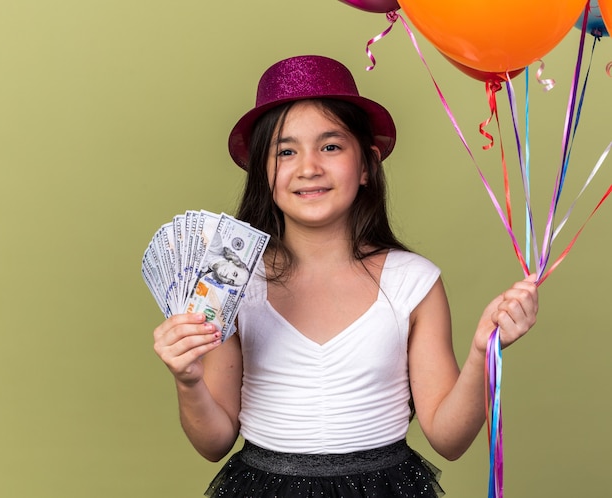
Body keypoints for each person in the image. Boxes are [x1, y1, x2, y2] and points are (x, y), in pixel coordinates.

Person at [152, 55, 539, 497]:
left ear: (367, 165)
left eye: (331, 146)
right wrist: (187, 379)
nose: (308, 167)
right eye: (285, 151)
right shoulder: (232, 282)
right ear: (263, 170)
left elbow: (450, 440)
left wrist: (481, 351)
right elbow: (213, 442)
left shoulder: (413, 282)